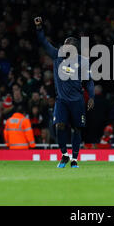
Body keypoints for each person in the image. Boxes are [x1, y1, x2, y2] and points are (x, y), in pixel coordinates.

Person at [34, 16, 94, 168]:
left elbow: (89, 81)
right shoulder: (57, 55)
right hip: (61, 100)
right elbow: (43, 42)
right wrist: (40, 28)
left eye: (66, 45)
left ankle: (74, 159)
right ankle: (64, 155)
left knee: (76, 129)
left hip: (77, 101)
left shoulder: (83, 61)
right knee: (59, 125)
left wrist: (91, 96)